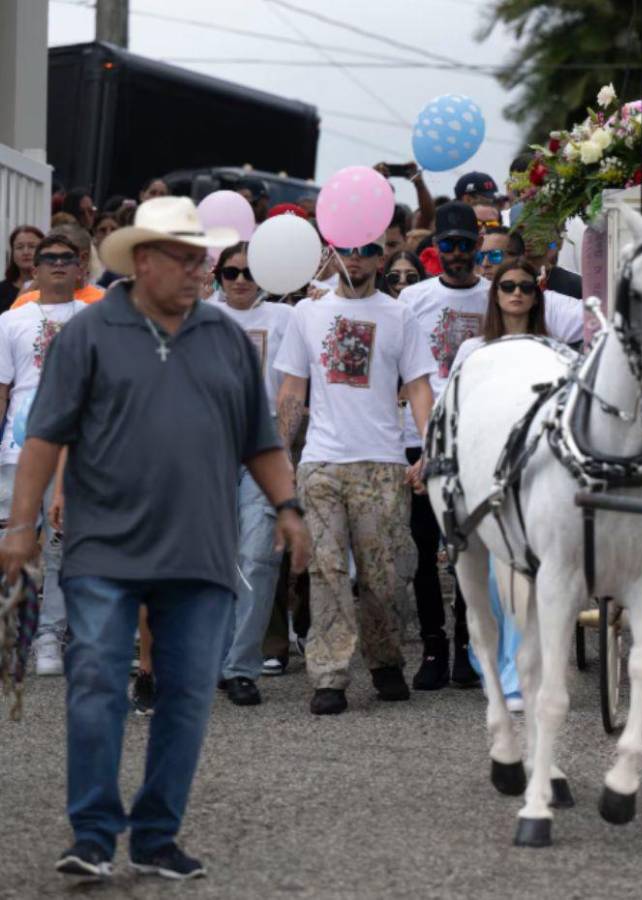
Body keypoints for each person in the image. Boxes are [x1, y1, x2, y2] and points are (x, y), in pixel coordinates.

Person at [0, 196, 311, 881]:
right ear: (142, 261)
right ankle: (92, 833)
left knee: (188, 695)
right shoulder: (88, 333)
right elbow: (44, 437)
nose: (200, 269)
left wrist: (287, 506)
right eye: (184, 255)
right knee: (96, 684)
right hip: (104, 549)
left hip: (200, 552)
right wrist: (20, 528)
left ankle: (156, 835)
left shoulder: (225, 338)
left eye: (202, 256)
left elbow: (260, 439)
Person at [401, 203, 584, 690]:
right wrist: (424, 454)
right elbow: (436, 396)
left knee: (490, 555)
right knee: (427, 552)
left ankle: (474, 649)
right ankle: (435, 648)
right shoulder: (423, 309)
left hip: (512, 465)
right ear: (435, 249)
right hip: (443, 448)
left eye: (467, 244)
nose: (516, 293)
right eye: (449, 244)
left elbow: (595, 320)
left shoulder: (545, 336)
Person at [274, 234, 436, 716]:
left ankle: (385, 659)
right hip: (322, 460)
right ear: (335, 255)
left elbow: (420, 385)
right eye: (347, 250)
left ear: (380, 256)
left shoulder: (400, 313)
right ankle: (329, 674)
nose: (356, 259)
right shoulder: (307, 313)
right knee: (325, 570)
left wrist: (430, 445)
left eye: (366, 250)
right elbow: (291, 387)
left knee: (383, 575)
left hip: (382, 461)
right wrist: (283, 449)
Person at [453, 259, 547, 711]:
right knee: (484, 579)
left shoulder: (550, 350)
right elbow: (454, 411)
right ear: (495, 295)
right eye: (507, 286)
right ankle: (487, 657)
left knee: (512, 575)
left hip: (532, 476)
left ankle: (514, 675)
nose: (515, 293)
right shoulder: (473, 350)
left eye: (525, 287)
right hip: (481, 471)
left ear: (535, 295)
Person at [0, 234, 90, 676]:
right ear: (32, 269)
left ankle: (50, 634)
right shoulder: (9, 321)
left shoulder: (96, 320)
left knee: (60, 543)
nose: (57, 264)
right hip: (19, 449)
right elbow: (0, 391)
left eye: (65, 258)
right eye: (47, 258)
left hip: (74, 453)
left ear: (81, 267)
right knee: (10, 542)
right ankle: (9, 631)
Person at [210, 242, 295, 706]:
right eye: (231, 272)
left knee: (259, 558)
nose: (241, 279)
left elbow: (291, 389)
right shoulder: (198, 316)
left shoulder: (286, 318)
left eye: (250, 271)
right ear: (218, 275)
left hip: (262, 452)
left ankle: (241, 668)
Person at [11, 224, 105, 309]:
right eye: (49, 256)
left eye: (65, 256)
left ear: (83, 259)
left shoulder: (103, 303)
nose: (57, 263)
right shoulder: (25, 302)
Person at [1, 226, 42, 313]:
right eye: (19, 247)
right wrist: (21, 300)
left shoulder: (53, 287)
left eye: (32, 246)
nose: (26, 252)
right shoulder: (2, 290)